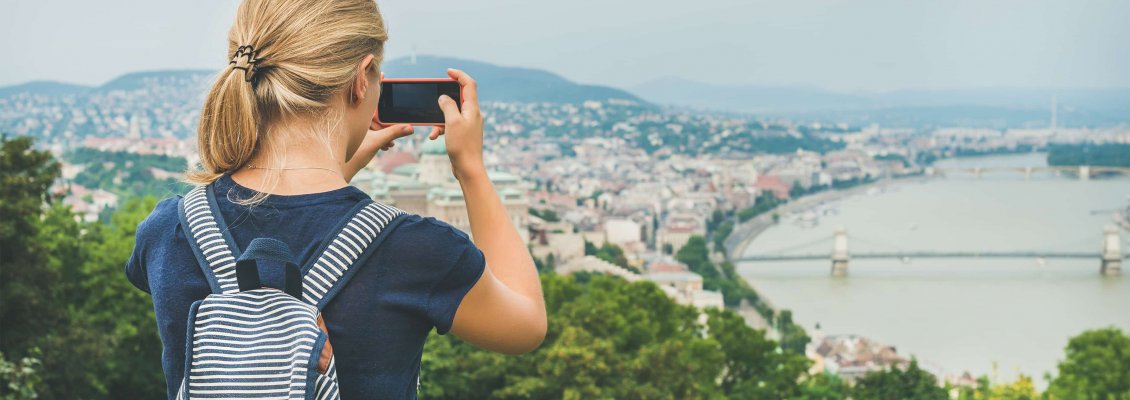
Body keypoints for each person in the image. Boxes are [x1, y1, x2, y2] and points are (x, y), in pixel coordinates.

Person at [123, 0, 547, 398]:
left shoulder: (169, 229)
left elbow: (283, 228)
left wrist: (335, 171)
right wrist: (471, 170)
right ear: (362, 80)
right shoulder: (414, 248)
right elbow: (525, 324)